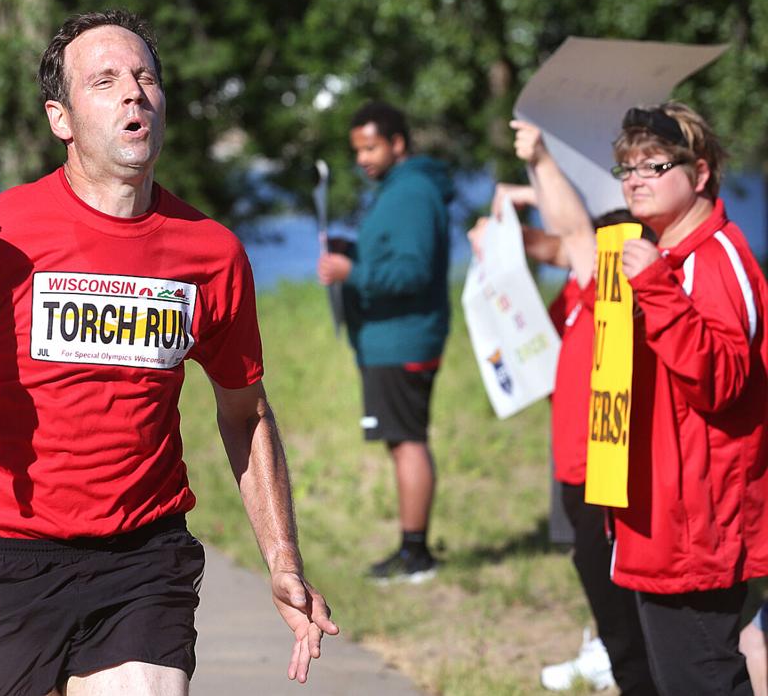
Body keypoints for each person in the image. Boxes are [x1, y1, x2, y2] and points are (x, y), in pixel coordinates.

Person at [0, 9, 338, 696]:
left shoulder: (211, 254)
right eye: (105, 81)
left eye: (145, 77)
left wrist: (283, 559)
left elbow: (245, 413)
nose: (133, 94)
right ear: (62, 118)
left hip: (139, 562)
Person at [471, 122, 658, 694]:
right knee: (599, 583)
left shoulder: (609, 283)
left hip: (603, 469)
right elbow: (554, 242)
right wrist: (508, 221)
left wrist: (545, 160)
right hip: (576, 467)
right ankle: (622, 666)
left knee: (625, 610)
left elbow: (573, 234)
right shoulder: (580, 287)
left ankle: (630, 672)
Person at [607, 101, 768, 695]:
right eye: (627, 167)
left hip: (700, 527)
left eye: (654, 165)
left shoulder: (716, 258)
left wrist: (654, 288)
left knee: (704, 679)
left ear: (699, 174)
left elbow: (724, 380)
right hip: (662, 521)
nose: (635, 180)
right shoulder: (665, 255)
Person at [317, 101, 452, 582]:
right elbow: (398, 254)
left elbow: (414, 270)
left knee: (407, 442)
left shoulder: (412, 192)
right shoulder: (398, 189)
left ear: (398, 143)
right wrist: (352, 251)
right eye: (358, 150)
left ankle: (416, 554)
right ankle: (413, 549)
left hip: (403, 340)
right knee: (401, 441)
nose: (363, 159)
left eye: (372, 147)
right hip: (389, 339)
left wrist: (352, 270)